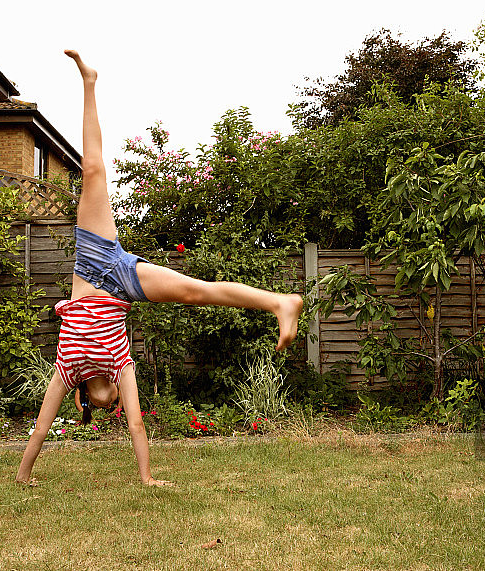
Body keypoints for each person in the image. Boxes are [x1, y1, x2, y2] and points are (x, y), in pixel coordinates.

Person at [16, 50, 303, 487]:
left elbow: (40, 428)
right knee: (195, 290)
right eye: (117, 403)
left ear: (87, 401)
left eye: (107, 404)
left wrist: (23, 475)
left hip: (94, 264)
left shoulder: (66, 371)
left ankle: (89, 82)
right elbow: (135, 426)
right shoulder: (120, 368)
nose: (116, 403)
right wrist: (147, 479)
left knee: (92, 170)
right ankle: (279, 303)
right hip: (123, 284)